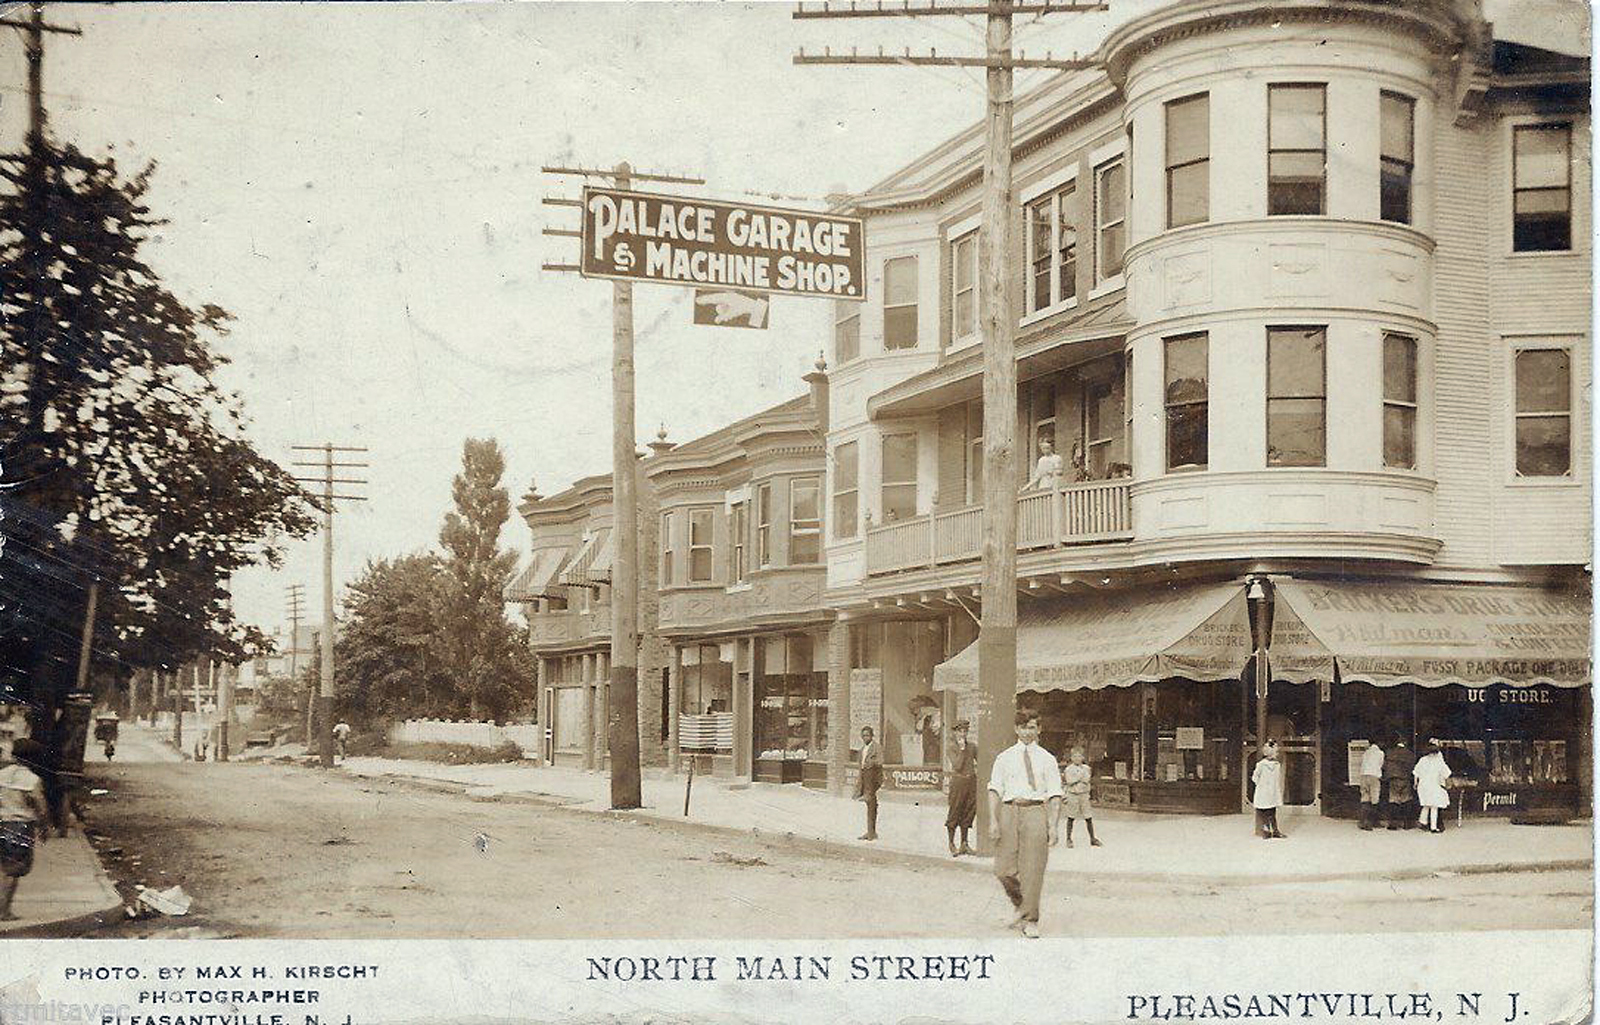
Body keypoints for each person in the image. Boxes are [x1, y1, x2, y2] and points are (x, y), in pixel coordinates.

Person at [986, 710, 1062, 939]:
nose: (1027, 732)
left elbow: (1055, 794)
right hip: (1009, 811)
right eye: (1023, 727)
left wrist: (1053, 825)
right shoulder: (1004, 757)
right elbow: (994, 789)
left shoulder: (1047, 759)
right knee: (1002, 869)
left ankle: (1031, 920)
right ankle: (1022, 905)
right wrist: (993, 820)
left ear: (1039, 729)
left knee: (1033, 869)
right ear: (1016, 729)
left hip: (1035, 811)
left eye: (1032, 727)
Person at [0, 739, 50, 921]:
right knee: (13, 870)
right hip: (20, 826)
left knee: (3, 868)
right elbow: (41, 806)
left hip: (2, 822)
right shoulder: (32, 779)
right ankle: (4, 911)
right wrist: (44, 827)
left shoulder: (2, 775)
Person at [944, 720, 977, 857]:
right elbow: (957, 766)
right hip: (958, 782)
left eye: (965, 731)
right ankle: (951, 843)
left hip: (971, 782)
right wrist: (962, 750)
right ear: (955, 732)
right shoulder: (951, 747)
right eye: (960, 731)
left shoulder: (972, 746)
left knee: (969, 811)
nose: (962, 734)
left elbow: (981, 759)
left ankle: (964, 843)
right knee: (955, 810)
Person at [1061, 746, 1101, 848]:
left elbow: (1087, 779)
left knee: (1088, 817)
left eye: (1079, 756)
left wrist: (1077, 778)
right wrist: (1079, 778)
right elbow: (1069, 781)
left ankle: (1092, 838)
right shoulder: (1068, 769)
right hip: (1073, 794)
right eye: (1075, 756)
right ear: (1071, 757)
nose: (1077, 758)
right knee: (1071, 817)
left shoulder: (1087, 768)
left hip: (1084, 794)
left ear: (1083, 757)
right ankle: (1068, 839)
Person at [1414, 741, 1453, 833]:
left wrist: (1415, 783)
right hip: (1434, 786)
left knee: (1426, 804)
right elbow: (1447, 774)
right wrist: (1448, 785)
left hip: (1423, 786)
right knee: (1434, 806)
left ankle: (1422, 822)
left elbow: (1416, 773)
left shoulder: (1422, 760)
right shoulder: (1439, 762)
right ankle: (1433, 827)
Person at [1251, 741, 1285, 839]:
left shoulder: (1277, 764)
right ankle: (1266, 831)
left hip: (1272, 791)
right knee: (1265, 812)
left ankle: (1275, 831)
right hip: (1264, 791)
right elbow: (1255, 777)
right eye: (1276, 752)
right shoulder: (1261, 764)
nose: (1277, 754)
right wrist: (1262, 785)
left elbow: (1277, 778)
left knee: (1272, 812)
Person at [854, 726, 883, 841]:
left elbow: (880, 762)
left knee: (871, 803)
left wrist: (870, 762)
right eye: (863, 735)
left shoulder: (876, 747)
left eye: (867, 735)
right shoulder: (862, 750)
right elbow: (860, 766)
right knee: (870, 805)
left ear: (872, 736)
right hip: (865, 777)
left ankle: (871, 832)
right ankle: (871, 831)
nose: (865, 738)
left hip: (873, 777)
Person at [1383, 735, 1417, 830]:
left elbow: (1385, 766)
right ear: (1405, 743)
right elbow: (1413, 767)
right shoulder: (1410, 754)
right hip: (1405, 779)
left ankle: (1393, 824)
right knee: (1406, 801)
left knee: (1393, 801)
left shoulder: (1390, 753)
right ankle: (1407, 824)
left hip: (1393, 779)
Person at [1358, 738, 1385, 831]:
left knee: (1365, 798)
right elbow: (1381, 765)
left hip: (1363, 776)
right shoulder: (1380, 753)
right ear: (1379, 743)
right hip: (1374, 776)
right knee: (1374, 800)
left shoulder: (1366, 753)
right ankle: (1371, 822)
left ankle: (1362, 821)